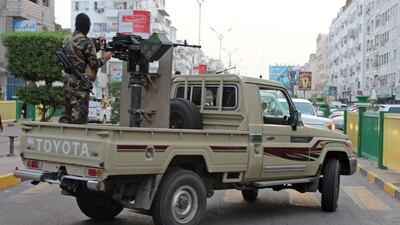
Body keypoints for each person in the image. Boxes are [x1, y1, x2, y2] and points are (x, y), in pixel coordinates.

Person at [59, 13, 112, 124]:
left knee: (65, 117)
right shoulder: (87, 42)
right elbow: (94, 64)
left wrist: (95, 44)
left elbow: (79, 53)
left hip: (68, 83)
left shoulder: (67, 40)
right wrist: (105, 58)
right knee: (79, 121)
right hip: (80, 87)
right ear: (87, 26)